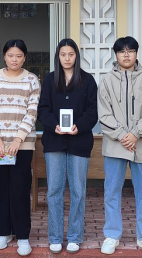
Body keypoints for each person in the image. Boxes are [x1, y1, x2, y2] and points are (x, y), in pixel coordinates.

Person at [98, 36, 142, 256]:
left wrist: (135, 134)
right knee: (111, 191)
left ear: (136, 53)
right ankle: (112, 234)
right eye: (122, 51)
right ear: (115, 54)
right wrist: (123, 135)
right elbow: (104, 114)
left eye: (130, 51)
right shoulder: (106, 81)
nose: (126, 55)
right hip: (115, 145)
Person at [37, 38, 98, 254]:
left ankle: (74, 236)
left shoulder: (88, 80)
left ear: (76, 56)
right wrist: (53, 125)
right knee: (54, 190)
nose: (67, 58)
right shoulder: (50, 80)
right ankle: (55, 236)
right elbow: (42, 108)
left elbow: (93, 112)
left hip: (79, 142)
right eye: (63, 54)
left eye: (71, 54)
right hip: (54, 142)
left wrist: (78, 126)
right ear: (58, 57)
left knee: (78, 191)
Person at [0, 39, 41, 256]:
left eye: (18, 56)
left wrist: (17, 140)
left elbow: (32, 112)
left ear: (24, 57)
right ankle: (3, 232)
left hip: (22, 145)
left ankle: (23, 236)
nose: (14, 59)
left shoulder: (32, 80)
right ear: (4, 56)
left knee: (20, 188)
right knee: (1, 188)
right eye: (10, 55)